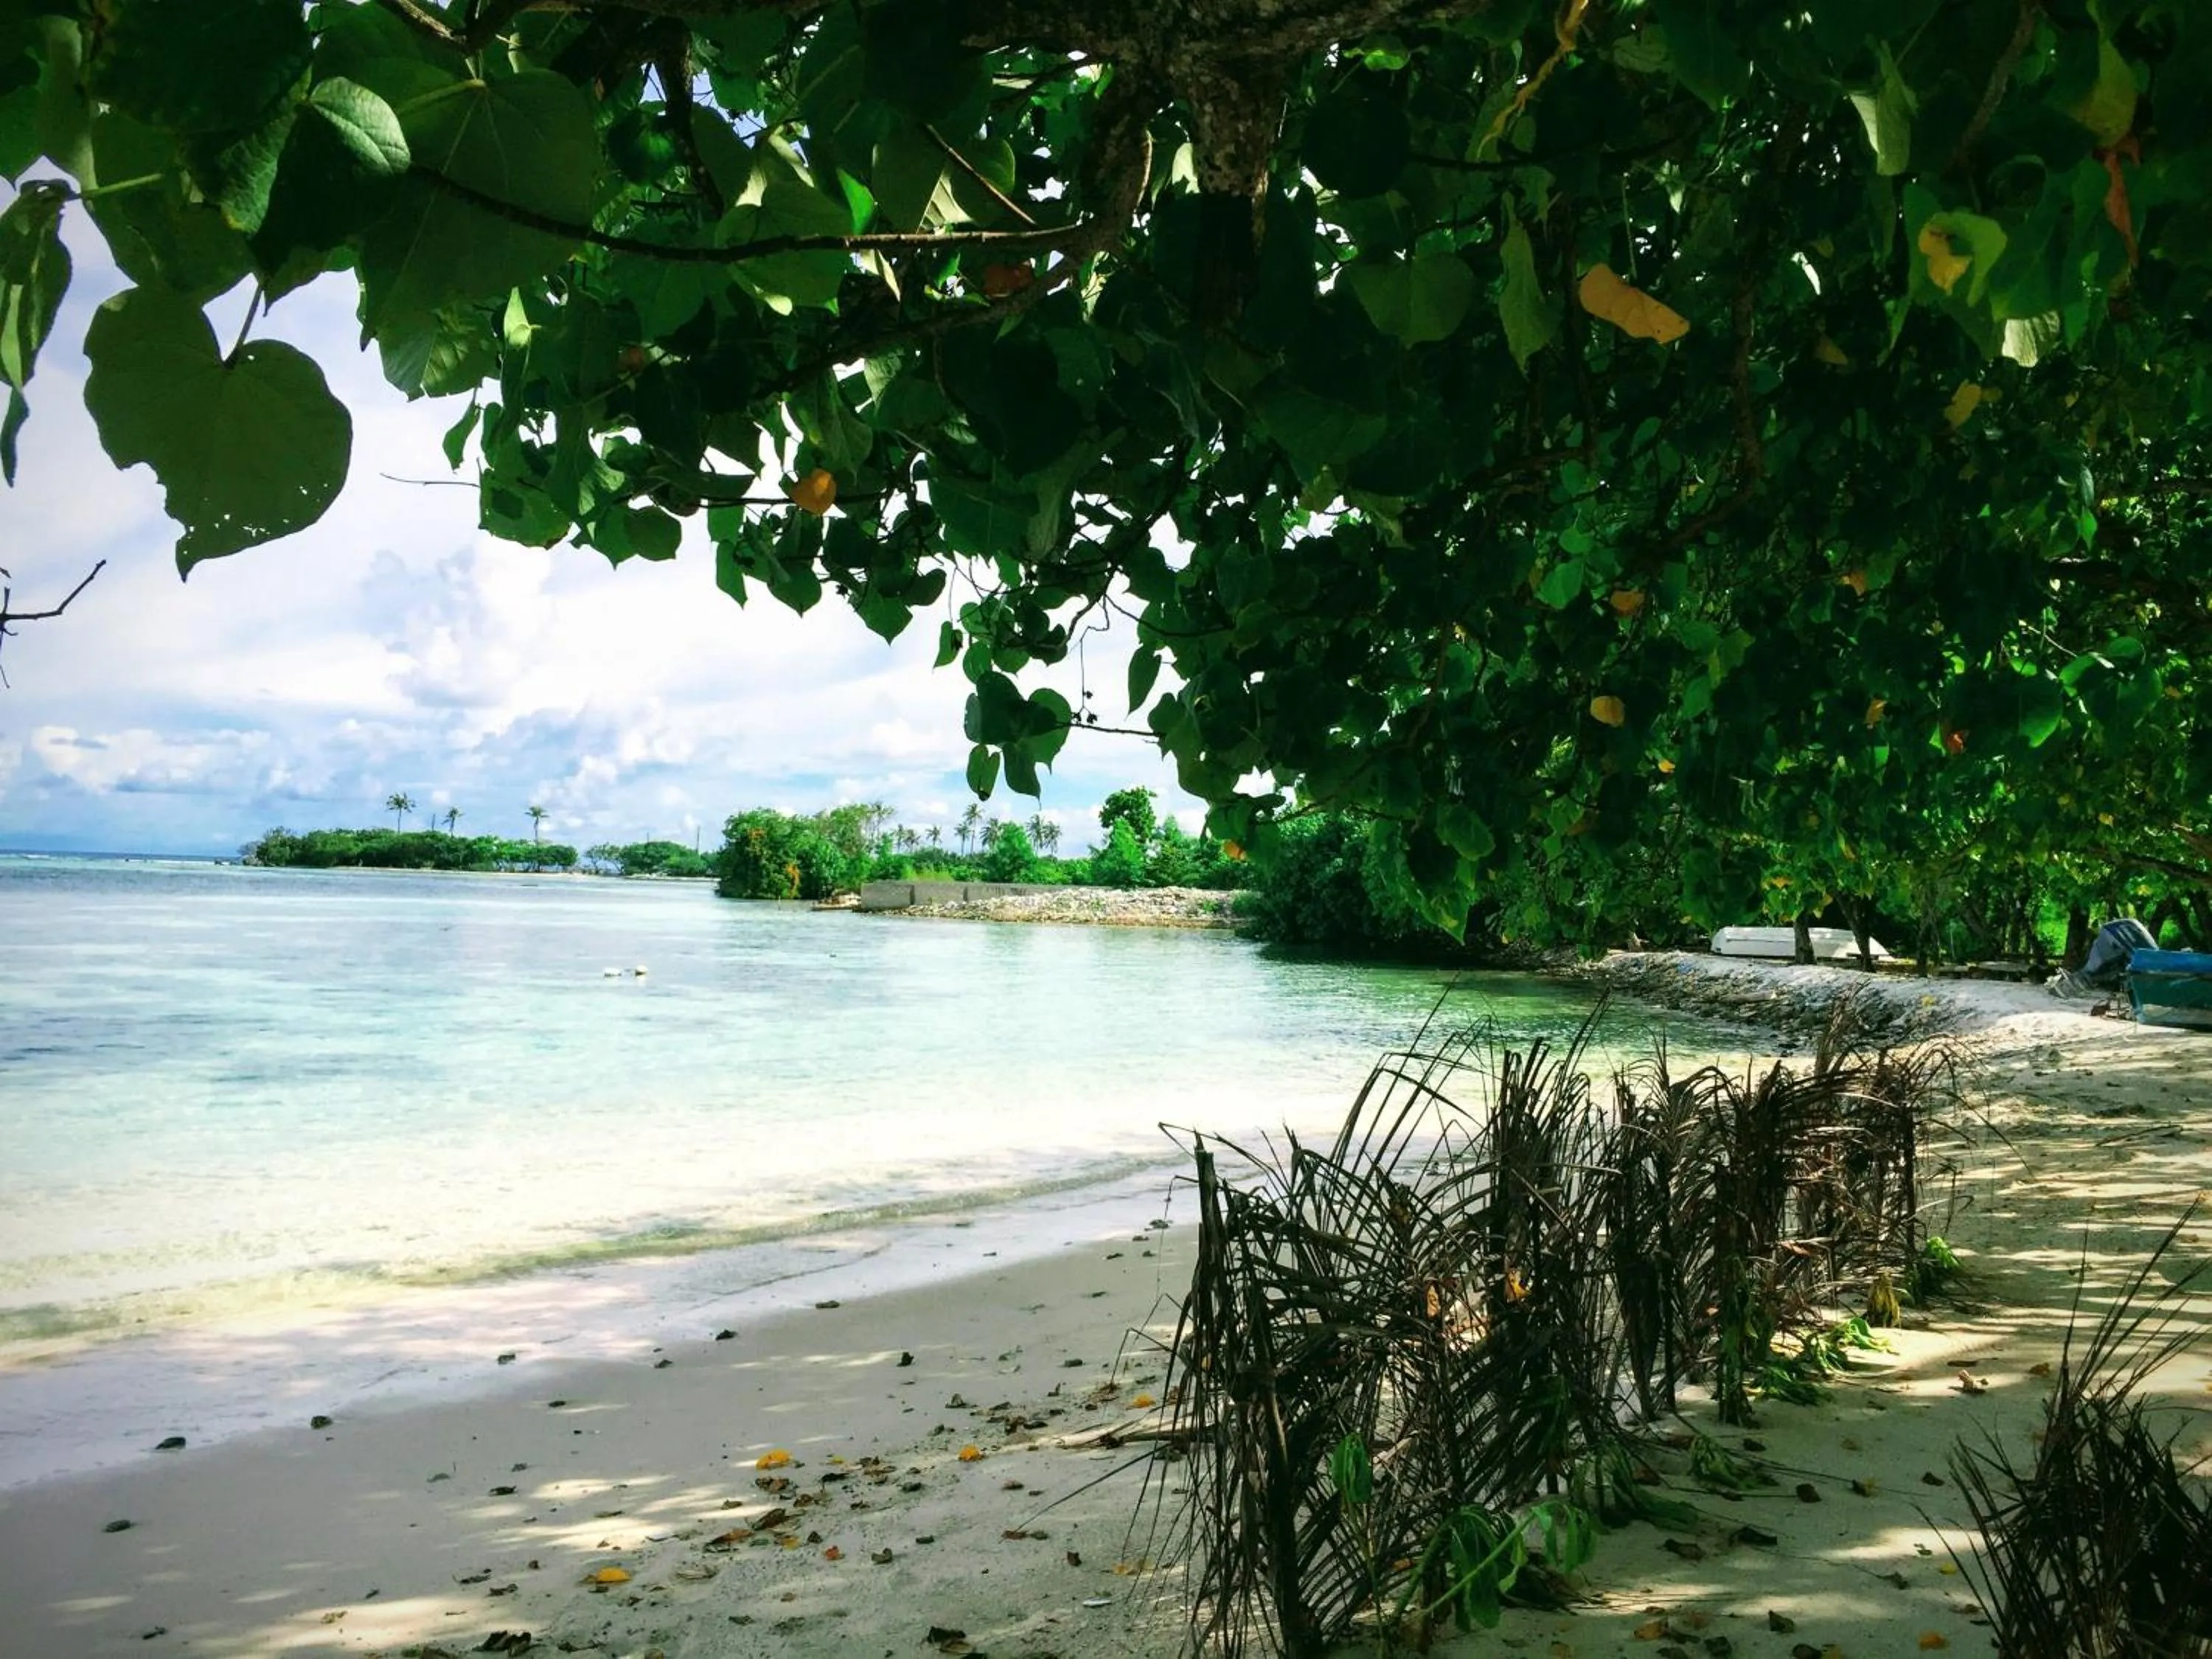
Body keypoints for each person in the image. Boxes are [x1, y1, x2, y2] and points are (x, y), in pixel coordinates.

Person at [2049, 917, 2158, 999]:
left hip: (2116, 943)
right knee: (2093, 972)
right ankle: (2078, 982)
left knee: (2093, 972)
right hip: (2118, 944)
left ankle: (2077, 983)